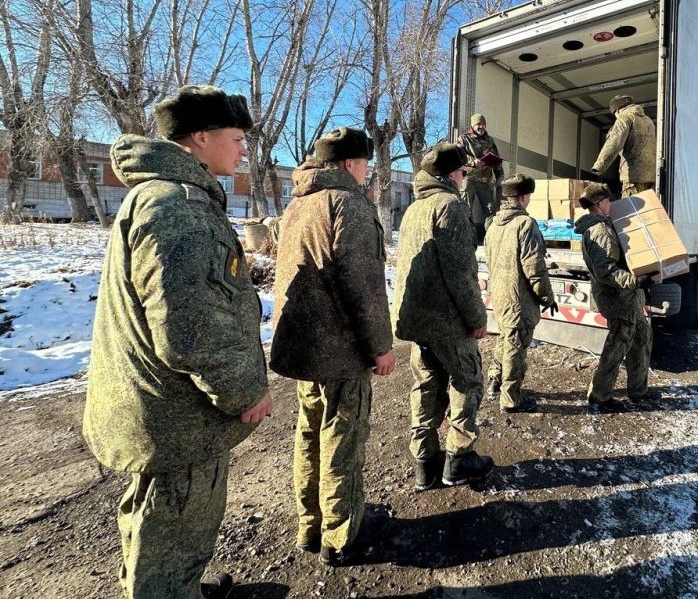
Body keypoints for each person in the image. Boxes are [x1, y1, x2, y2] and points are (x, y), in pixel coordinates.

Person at [83, 85, 272, 599]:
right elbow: (190, 331)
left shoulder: (160, 197)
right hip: (175, 417)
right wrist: (244, 393)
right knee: (175, 529)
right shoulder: (179, 208)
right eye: (236, 139)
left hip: (158, 409)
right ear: (201, 137)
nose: (243, 150)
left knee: (156, 523)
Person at [269, 127, 395, 566]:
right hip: (341, 351)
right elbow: (363, 286)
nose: (368, 172)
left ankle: (311, 523)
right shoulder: (348, 205)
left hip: (304, 348)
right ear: (348, 164)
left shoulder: (297, 204)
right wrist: (381, 346)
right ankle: (341, 535)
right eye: (365, 164)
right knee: (342, 439)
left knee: (309, 434)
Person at [392, 143, 494, 491]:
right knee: (467, 382)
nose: (465, 177)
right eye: (462, 172)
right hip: (448, 321)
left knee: (426, 386)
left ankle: (425, 463)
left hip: (418, 322)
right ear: (450, 175)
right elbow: (461, 273)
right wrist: (477, 317)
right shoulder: (450, 206)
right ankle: (458, 460)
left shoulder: (414, 209)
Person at [573, 183, 655, 411]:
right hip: (617, 299)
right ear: (599, 204)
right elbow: (606, 270)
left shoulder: (604, 226)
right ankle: (599, 395)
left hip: (627, 298)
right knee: (617, 347)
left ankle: (638, 390)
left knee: (642, 336)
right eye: (607, 201)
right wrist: (635, 280)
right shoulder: (600, 231)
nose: (611, 204)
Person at [484, 174, 557, 412]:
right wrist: (547, 297)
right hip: (519, 298)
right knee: (516, 347)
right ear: (523, 198)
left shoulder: (493, 224)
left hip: (501, 295)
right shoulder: (525, 224)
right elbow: (535, 268)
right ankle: (511, 399)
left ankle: (495, 380)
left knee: (506, 338)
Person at [590, 95, 656, 197]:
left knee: (633, 210)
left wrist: (599, 166)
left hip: (634, 178)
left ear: (617, 110)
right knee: (649, 210)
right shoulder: (648, 121)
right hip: (652, 177)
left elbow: (614, 142)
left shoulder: (625, 118)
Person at [458, 113, 505, 244]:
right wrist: (473, 162)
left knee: (491, 210)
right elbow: (458, 155)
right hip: (469, 179)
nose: (481, 126)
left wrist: (500, 176)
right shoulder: (464, 139)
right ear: (472, 125)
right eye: (479, 124)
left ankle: (490, 240)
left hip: (485, 181)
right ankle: (467, 240)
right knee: (465, 209)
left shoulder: (489, 141)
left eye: (483, 124)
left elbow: (496, 159)